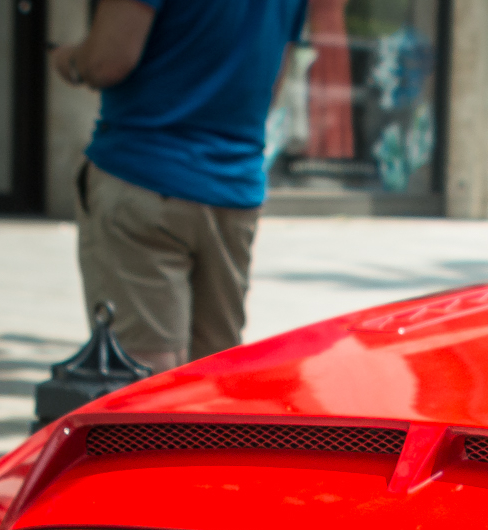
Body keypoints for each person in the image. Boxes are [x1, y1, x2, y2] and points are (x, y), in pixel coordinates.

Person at [52, 0, 309, 375]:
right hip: (233, 187)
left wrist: (67, 60)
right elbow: (271, 84)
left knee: (142, 372)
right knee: (213, 373)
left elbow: (107, 61)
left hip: (143, 174)